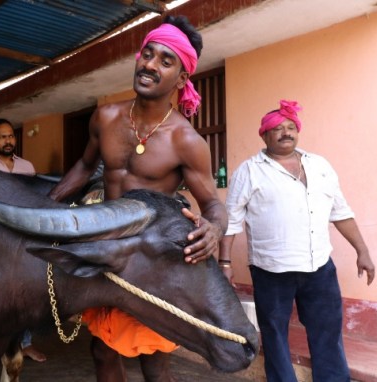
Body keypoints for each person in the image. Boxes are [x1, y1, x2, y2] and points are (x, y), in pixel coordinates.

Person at [48, 15, 227, 382]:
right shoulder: (106, 117)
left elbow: (213, 207)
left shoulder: (186, 141)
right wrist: (46, 206)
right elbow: (83, 168)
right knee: (101, 350)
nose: (149, 64)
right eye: (148, 54)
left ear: (181, 78)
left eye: (165, 60)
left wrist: (214, 229)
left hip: (152, 260)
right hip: (108, 251)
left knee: (154, 359)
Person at [219, 100, 376, 382]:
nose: (285, 133)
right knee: (275, 332)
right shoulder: (249, 170)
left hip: (319, 267)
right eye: (277, 129)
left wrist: (361, 250)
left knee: (327, 329)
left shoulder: (320, 165)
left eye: (291, 127)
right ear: (264, 135)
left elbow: (340, 212)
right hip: (271, 270)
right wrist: (225, 263)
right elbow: (231, 221)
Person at [0, 118, 45, 362]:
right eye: (2, 137)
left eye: (11, 136)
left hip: (23, 239)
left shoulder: (27, 166)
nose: (8, 141)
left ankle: (24, 343)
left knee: (27, 291)